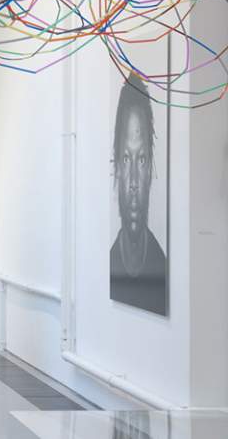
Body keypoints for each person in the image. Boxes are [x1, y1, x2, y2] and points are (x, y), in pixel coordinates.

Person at [110, 74, 167, 315]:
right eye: (126, 158)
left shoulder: (164, 269)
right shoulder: (107, 264)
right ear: (117, 168)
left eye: (141, 159)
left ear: (150, 170)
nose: (133, 181)